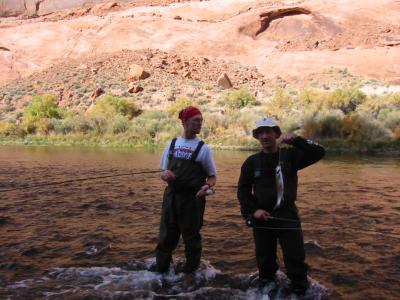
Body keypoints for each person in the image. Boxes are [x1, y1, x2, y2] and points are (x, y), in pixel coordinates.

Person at [237, 117, 325, 295]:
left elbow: (319, 151)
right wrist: (254, 211)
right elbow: (243, 191)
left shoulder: (291, 156)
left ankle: (300, 291)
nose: (264, 136)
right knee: (265, 263)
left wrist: (297, 140)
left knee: (295, 262)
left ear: (276, 134)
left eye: (268, 131)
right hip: (262, 219)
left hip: (288, 216)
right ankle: (267, 291)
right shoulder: (251, 162)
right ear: (257, 137)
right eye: (260, 133)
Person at [155, 106, 217, 274]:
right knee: (166, 236)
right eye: (195, 120)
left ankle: (191, 274)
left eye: (201, 120)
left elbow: (212, 177)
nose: (199, 123)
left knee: (192, 239)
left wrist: (207, 186)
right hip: (171, 197)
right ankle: (161, 272)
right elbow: (163, 171)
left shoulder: (204, 148)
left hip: (193, 199)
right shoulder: (171, 144)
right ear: (184, 122)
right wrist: (165, 175)